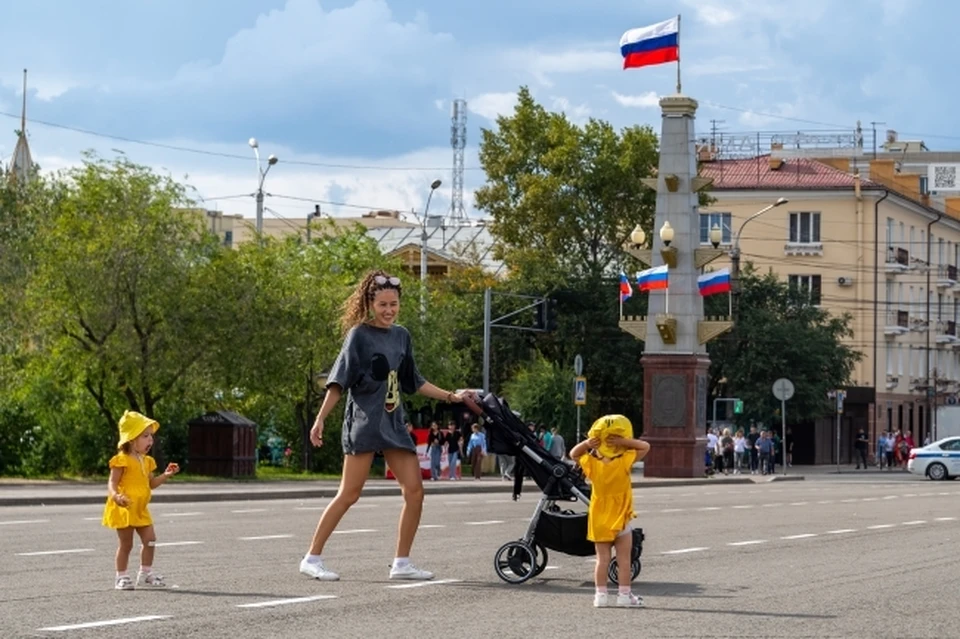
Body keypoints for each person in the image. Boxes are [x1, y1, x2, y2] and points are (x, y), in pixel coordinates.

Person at [301, 270, 473, 582]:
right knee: (349, 493)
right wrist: (320, 419)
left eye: (393, 304)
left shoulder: (401, 336)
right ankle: (312, 557)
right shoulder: (359, 335)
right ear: (370, 303)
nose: (389, 310)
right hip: (364, 422)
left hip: (393, 423)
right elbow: (338, 382)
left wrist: (452, 396)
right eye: (382, 304)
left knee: (415, 491)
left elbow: (414, 381)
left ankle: (402, 563)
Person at [570, 415, 650, 608]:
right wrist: (623, 441)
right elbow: (645, 446)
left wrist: (588, 444)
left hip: (599, 517)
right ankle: (624, 595)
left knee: (602, 559)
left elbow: (573, 454)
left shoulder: (592, 464)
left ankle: (601, 596)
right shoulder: (623, 460)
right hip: (620, 517)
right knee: (624, 559)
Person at [101, 411, 180, 590]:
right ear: (131, 439)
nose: (150, 440)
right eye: (145, 436)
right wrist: (115, 496)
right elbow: (112, 483)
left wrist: (166, 475)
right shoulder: (121, 460)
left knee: (150, 540)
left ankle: (145, 573)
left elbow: (151, 484)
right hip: (125, 508)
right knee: (126, 544)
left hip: (141, 508)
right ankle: (121, 576)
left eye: (151, 436)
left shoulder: (147, 461)